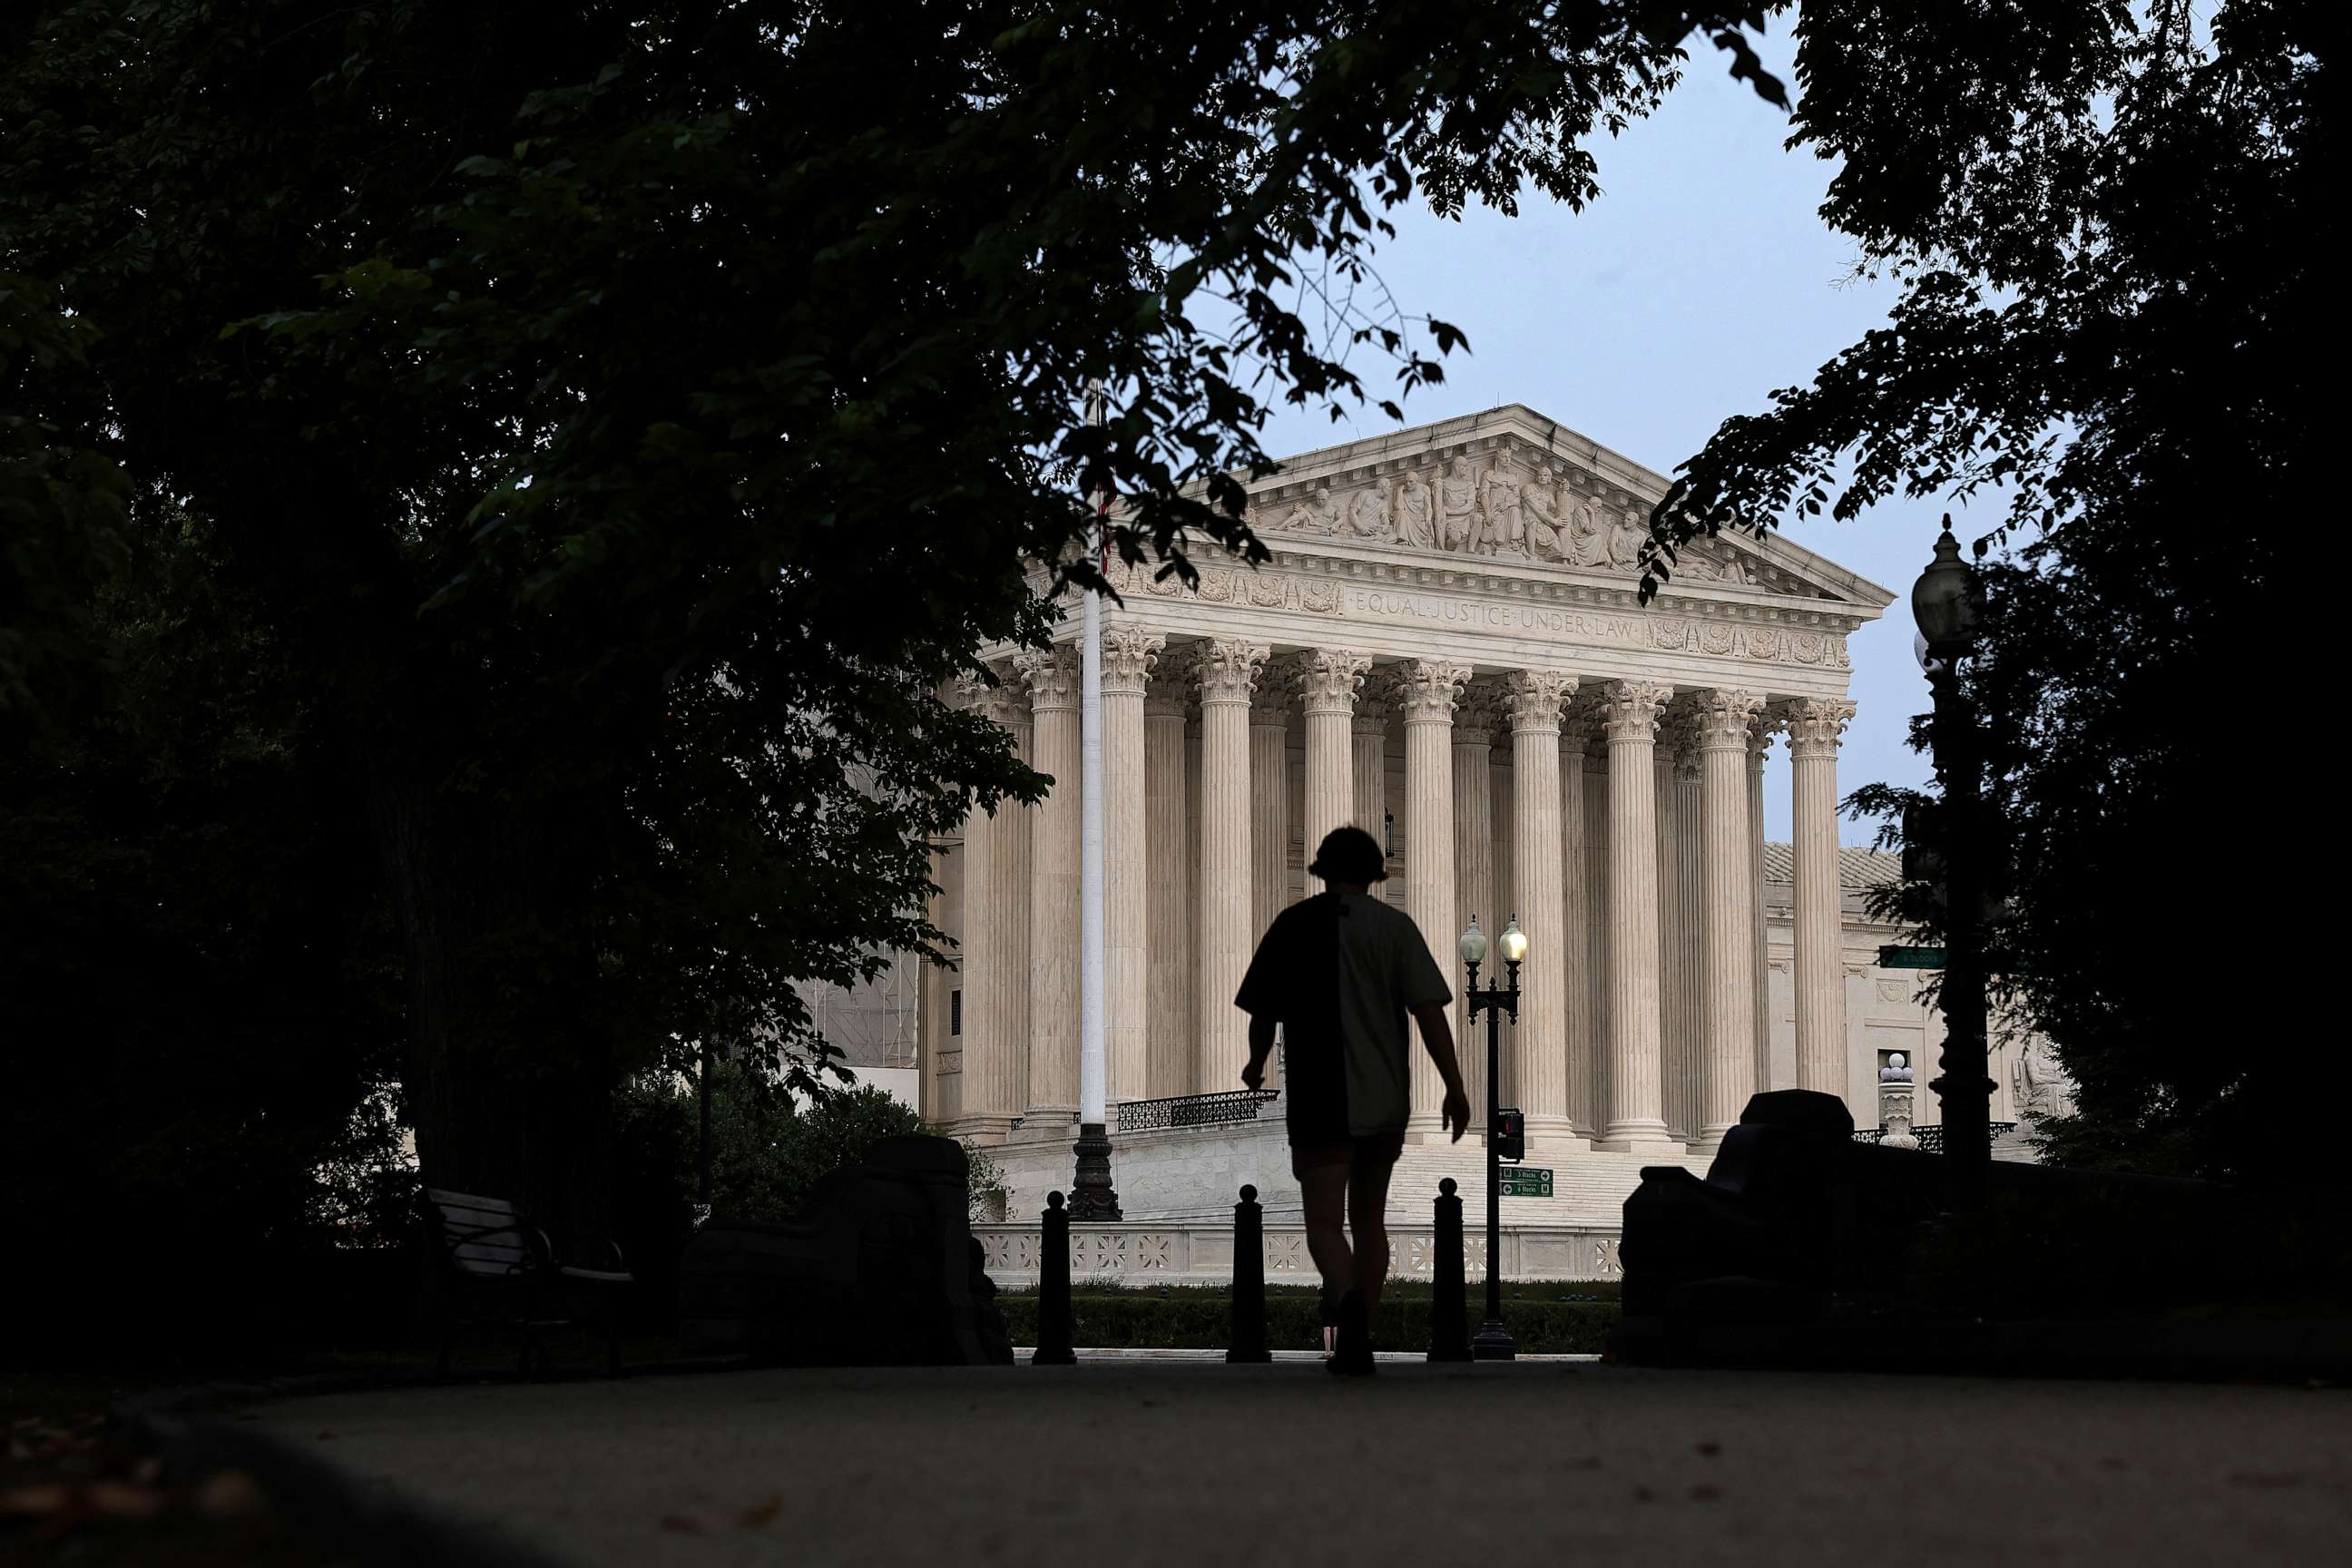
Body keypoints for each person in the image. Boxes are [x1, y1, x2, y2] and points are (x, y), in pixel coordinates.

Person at [1235, 825, 1473, 1376]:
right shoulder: (1394, 928)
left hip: (1318, 1094)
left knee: (1323, 1223)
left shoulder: (1293, 926)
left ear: (1321, 872)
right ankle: (1361, 1325)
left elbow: (1264, 1012)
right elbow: (1429, 1015)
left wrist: (1256, 1061)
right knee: (1370, 1223)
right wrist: (1454, 1086)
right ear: (1373, 875)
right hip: (1383, 1096)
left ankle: (1345, 1307)